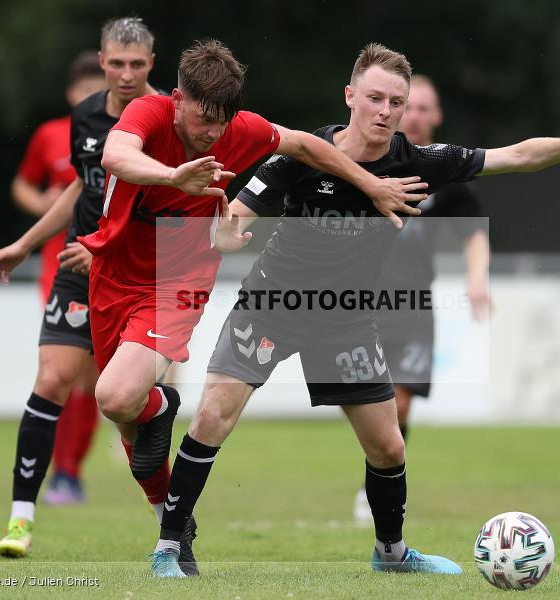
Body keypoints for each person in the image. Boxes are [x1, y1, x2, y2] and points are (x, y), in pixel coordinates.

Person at [153, 43, 560, 578]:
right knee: (211, 418)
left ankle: (392, 554)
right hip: (273, 305)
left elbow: (514, 156)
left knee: (388, 445)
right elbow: (238, 217)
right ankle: (169, 548)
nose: (385, 111)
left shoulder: (415, 160)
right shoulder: (303, 154)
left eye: (396, 101)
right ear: (350, 96)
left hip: (345, 320)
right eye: (375, 98)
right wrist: (228, 231)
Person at [75, 38, 426, 578]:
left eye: (223, 120)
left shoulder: (244, 131)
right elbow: (115, 155)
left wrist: (370, 185)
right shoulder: (148, 112)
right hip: (112, 272)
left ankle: (168, 534)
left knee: (117, 394)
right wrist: (174, 177)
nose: (213, 132)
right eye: (202, 117)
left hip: (178, 276)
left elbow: (309, 147)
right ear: (177, 99)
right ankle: (159, 434)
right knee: (123, 409)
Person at [0, 18, 198, 565]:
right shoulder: (85, 117)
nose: (126, 74)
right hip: (80, 268)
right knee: (52, 379)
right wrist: (27, 244)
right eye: (116, 63)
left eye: (137, 64)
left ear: (153, 63)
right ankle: (21, 520)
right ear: (101, 62)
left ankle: (169, 525)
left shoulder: (170, 120)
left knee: (124, 410)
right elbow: (84, 188)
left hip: (134, 276)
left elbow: (167, 206)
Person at [354, 74, 492, 524]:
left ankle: (374, 484)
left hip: (412, 307)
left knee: (400, 401)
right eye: (407, 106)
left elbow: (474, 235)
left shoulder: (446, 173)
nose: (412, 115)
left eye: (422, 108)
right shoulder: (365, 159)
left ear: (436, 117)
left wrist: (477, 279)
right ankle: (381, 471)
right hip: (357, 303)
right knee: (364, 401)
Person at [11, 51, 105, 507]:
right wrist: (41, 209)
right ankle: (60, 475)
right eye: (85, 90)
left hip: (108, 265)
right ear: (71, 94)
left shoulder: (125, 134)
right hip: (61, 266)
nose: (92, 98)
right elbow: (23, 184)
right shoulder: (52, 135)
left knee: (91, 379)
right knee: (58, 372)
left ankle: (71, 470)